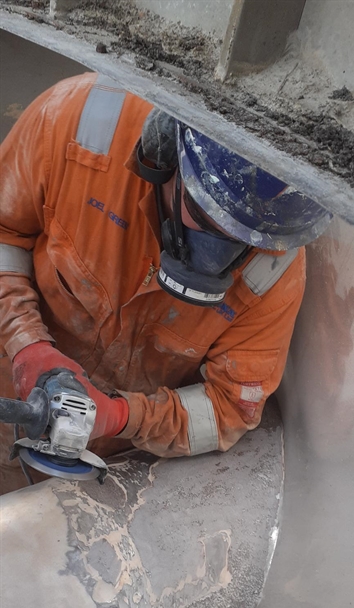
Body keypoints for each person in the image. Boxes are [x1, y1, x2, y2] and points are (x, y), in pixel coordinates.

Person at [0, 72, 331, 492]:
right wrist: (26, 344)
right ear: (165, 151)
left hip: (100, 464)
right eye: (206, 217)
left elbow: (229, 409)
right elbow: (4, 231)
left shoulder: (274, 272)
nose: (214, 255)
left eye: (243, 241)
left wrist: (121, 417)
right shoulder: (79, 124)